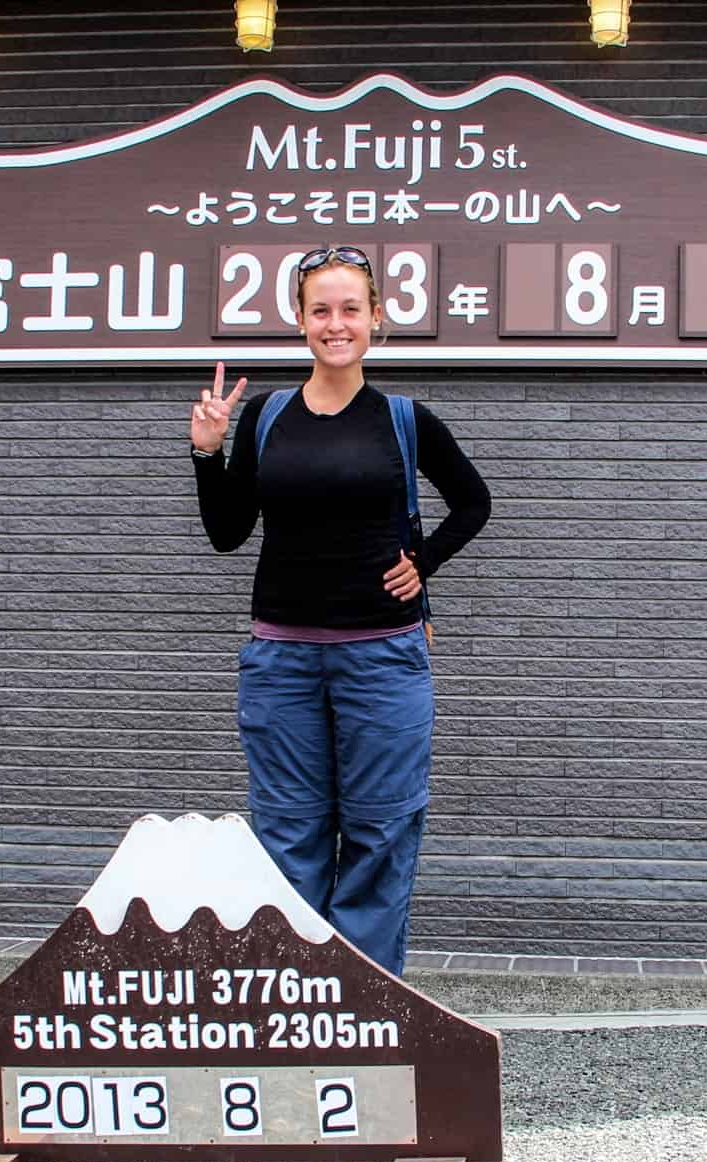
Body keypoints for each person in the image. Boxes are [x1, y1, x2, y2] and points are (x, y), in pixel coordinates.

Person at [188, 245, 491, 973]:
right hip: (282, 662)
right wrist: (207, 452)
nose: (336, 323)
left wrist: (422, 565)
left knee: (379, 832)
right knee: (289, 834)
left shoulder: (402, 419)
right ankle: (301, 997)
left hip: (383, 659)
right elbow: (228, 534)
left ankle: (364, 998)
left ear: (376, 318)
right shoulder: (265, 418)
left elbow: (474, 502)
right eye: (320, 309)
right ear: (300, 320)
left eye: (350, 308)